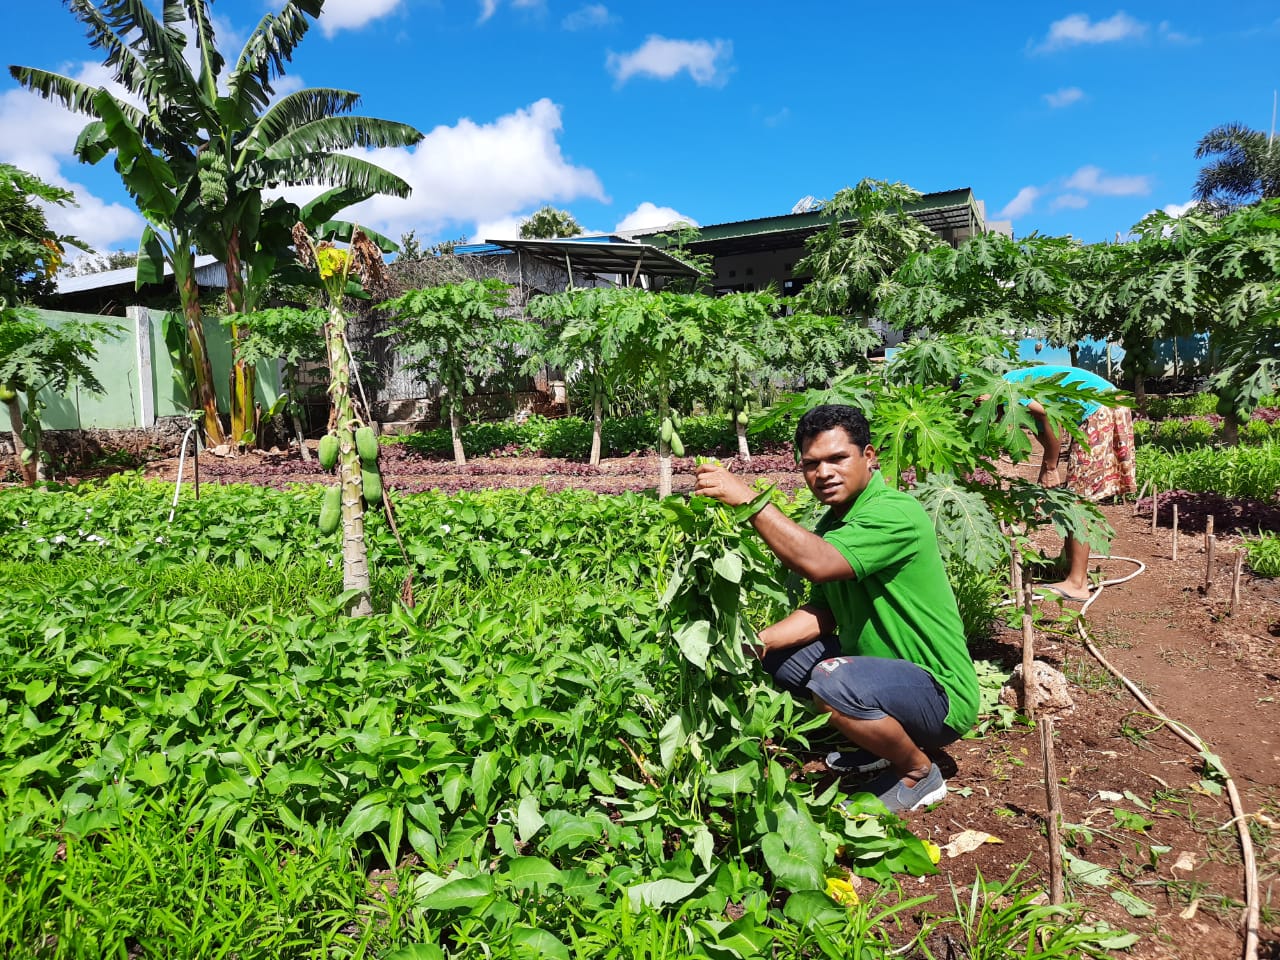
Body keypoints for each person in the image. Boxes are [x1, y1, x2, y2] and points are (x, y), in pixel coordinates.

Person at [692, 404, 978, 813]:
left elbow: (819, 562)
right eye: (811, 464)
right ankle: (878, 741)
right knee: (782, 658)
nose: (823, 473)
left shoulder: (894, 513)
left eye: (837, 458)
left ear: (869, 456)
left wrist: (750, 501)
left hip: (938, 693)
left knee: (832, 682)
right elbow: (823, 613)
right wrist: (758, 643)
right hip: (884, 677)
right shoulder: (834, 523)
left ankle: (917, 772)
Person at [1002, 364, 1137, 602]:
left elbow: (1048, 417)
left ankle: (1077, 583)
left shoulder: (1007, 390)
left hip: (1098, 408)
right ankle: (1070, 568)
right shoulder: (1012, 383)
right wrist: (1045, 469)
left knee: (1078, 501)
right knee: (1075, 494)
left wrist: (1051, 468)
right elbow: (1045, 430)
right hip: (1104, 403)